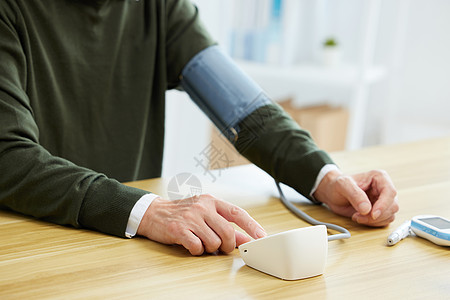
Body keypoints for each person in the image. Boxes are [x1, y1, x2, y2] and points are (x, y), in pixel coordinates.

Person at [0, 0, 398, 256]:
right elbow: (9, 157)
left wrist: (323, 175)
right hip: (32, 244)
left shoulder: (161, 8)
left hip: (126, 246)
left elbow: (247, 111)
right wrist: (149, 210)